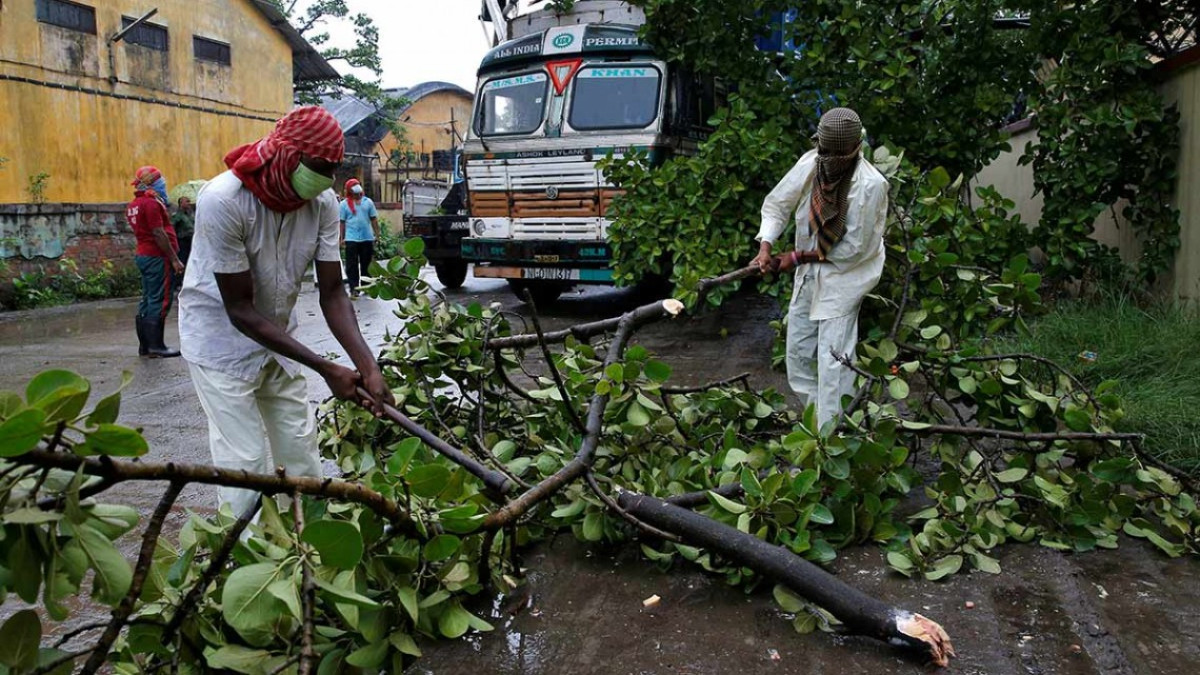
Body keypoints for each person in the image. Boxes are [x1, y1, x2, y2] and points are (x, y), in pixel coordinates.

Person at [178, 106, 394, 517]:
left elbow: (333, 292)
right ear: (289, 155)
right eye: (320, 168)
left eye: (333, 169)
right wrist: (326, 369)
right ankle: (248, 549)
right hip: (221, 342)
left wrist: (368, 367)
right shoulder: (224, 200)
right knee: (244, 464)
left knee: (300, 451)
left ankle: (308, 544)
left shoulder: (322, 203)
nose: (327, 178)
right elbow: (240, 309)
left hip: (279, 338)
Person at [750, 108, 888, 428]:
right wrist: (765, 247)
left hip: (845, 279)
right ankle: (820, 426)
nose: (826, 159)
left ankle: (833, 439)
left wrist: (797, 257)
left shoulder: (870, 185)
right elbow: (778, 204)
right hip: (810, 274)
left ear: (854, 149)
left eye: (833, 154)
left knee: (834, 364)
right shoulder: (812, 163)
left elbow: (854, 250)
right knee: (798, 356)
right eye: (822, 151)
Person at [127, 165, 184, 358]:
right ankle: (156, 346)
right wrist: (174, 259)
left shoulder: (134, 205)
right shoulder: (151, 204)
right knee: (160, 300)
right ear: (151, 183)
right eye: (160, 181)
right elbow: (158, 233)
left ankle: (145, 346)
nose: (163, 185)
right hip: (157, 257)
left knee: (147, 298)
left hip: (144, 255)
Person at [339, 178, 379, 298]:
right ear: (350, 192)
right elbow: (342, 222)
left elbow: (374, 219)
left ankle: (366, 286)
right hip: (351, 238)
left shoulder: (368, 202)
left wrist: (377, 235)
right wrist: (341, 238)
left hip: (367, 237)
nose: (357, 194)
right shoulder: (344, 205)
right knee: (351, 265)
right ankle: (354, 288)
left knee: (366, 264)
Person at [170, 196, 195, 265]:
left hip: (191, 240)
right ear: (181, 203)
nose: (189, 203)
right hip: (182, 242)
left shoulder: (190, 214)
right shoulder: (177, 215)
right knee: (183, 259)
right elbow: (172, 227)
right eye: (187, 201)